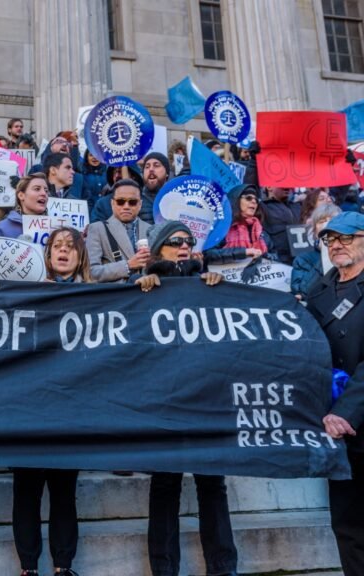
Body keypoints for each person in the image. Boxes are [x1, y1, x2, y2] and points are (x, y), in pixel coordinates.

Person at [134, 221, 238, 576]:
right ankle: (164, 570)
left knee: (213, 484)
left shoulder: (209, 285)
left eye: (188, 241)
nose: (183, 246)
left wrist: (219, 290)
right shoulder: (142, 289)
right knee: (165, 484)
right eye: (175, 241)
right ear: (160, 248)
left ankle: (223, 568)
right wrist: (138, 289)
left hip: (205, 398)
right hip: (163, 401)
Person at [12, 227, 89, 576]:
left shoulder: (97, 296)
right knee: (26, 491)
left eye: (70, 248)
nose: (63, 252)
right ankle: (28, 567)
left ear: (80, 256)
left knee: (64, 491)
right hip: (28, 406)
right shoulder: (27, 293)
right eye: (57, 246)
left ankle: (63, 566)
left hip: (70, 407)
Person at [306, 212, 364, 576]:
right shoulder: (318, 291)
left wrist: (347, 410)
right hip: (335, 433)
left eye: (346, 237)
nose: (337, 244)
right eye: (330, 239)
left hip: (351, 417)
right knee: (348, 526)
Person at [86, 178, 150, 282]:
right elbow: (90, 272)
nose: (126, 206)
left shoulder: (151, 230)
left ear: (140, 204)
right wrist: (127, 265)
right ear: (112, 204)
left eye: (132, 202)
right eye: (120, 202)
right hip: (115, 294)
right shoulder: (97, 229)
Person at [204, 184, 271, 266]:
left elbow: (275, 255)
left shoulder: (261, 232)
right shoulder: (221, 228)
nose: (254, 202)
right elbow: (208, 254)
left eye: (256, 200)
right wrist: (244, 252)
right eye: (248, 198)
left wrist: (267, 256)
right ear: (236, 200)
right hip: (223, 277)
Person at [291, 203, 341, 301]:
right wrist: (325, 254)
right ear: (314, 230)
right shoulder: (303, 259)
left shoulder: (350, 252)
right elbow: (302, 292)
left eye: (332, 220)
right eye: (322, 221)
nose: (327, 224)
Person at [0, 173, 48, 238]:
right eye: (37, 189)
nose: (44, 193)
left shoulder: (55, 229)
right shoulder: (0, 229)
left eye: (46, 191)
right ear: (21, 195)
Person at [261, 187, 302, 264]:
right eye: (281, 184)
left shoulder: (297, 206)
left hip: (302, 260)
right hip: (279, 262)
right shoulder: (262, 207)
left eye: (287, 184)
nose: (287, 187)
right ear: (269, 187)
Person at [137, 152, 171, 224]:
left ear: (167, 173)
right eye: (147, 167)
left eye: (156, 165)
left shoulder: (176, 197)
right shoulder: (135, 200)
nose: (151, 169)